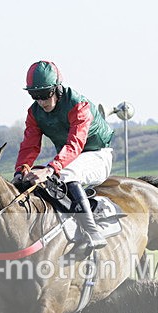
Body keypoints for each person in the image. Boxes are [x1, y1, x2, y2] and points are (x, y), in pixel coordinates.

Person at [13, 60, 115, 250]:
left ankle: (92, 230)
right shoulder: (34, 113)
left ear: (57, 89)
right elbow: (29, 146)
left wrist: (51, 168)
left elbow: (75, 143)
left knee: (64, 174)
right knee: (35, 176)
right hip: (70, 158)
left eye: (44, 94)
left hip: (97, 154)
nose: (41, 101)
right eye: (34, 95)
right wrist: (21, 170)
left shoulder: (79, 105)